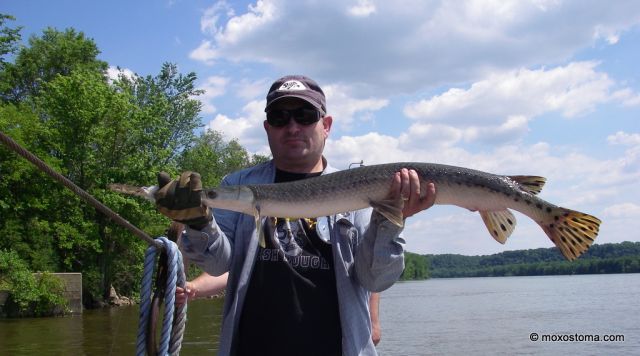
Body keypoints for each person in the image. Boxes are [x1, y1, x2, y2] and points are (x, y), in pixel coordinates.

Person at [155, 75, 436, 356]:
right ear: (267, 128)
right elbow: (219, 264)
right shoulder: (236, 185)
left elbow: (374, 280)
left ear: (325, 125)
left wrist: (389, 220)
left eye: (304, 115)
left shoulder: (358, 187)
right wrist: (199, 221)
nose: (292, 127)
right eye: (279, 117)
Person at [176, 272, 382, 346]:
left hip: (330, 341)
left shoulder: (343, 189)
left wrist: (373, 322)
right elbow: (233, 268)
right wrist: (194, 288)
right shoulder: (256, 195)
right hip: (261, 340)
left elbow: (368, 268)